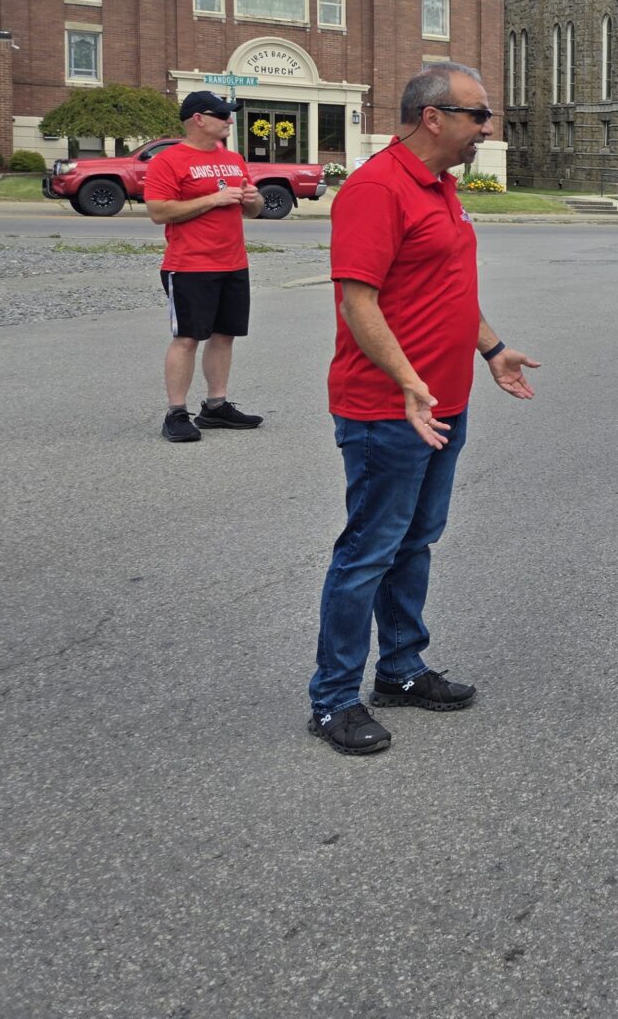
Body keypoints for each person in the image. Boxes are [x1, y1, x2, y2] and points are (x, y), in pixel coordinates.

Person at [308, 62, 541, 756]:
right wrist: (409, 380)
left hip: (441, 403)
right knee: (367, 551)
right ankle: (331, 700)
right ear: (432, 116)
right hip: (387, 409)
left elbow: (445, 289)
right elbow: (359, 300)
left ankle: (401, 670)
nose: (487, 127)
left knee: (415, 542)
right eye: (477, 114)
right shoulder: (377, 188)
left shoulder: (440, 186)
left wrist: (492, 348)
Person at [144, 91, 266, 442]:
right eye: (222, 114)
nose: (230, 120)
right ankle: (177, 412)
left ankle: (215, 406)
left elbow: (253, 209)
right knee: (186, 338)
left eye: (230, 115)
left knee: (224, 335)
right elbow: (158, 211)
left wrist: (252, 199)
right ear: (198, 118)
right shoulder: (169, 161)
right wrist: (213, 198)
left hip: (233, 262)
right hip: (189, 265)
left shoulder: (233, 159)